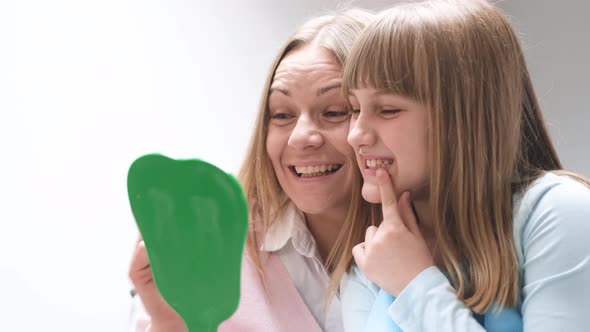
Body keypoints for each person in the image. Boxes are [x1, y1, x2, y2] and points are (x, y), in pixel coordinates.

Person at [339, 1, 590, 331]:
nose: (355, 135)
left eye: (387, 110)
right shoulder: (367, 264)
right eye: (354, 108)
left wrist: (415, 283)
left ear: (463, 119)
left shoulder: (558, 211)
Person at [128, 8, 379, 332]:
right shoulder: (210, 240)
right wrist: (169, 322)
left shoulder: (438, 250)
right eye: (282, 115)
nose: (301, 137)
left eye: (333, 111)